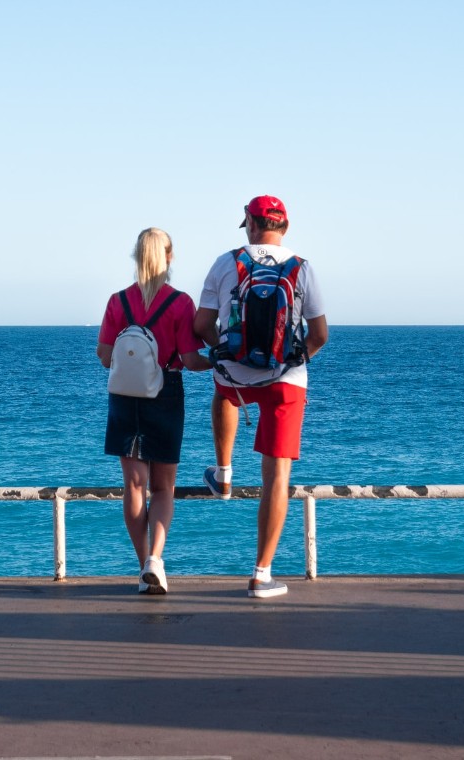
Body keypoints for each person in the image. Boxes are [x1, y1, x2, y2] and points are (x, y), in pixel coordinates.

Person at [194, 195, 328, 598]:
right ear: (283, 226)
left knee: (223, 394)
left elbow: (202, 323)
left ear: (251, 225)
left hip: (235, 376)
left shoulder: (225, 262)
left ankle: (224, 474)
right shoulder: (302, 268)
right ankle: (260, 574)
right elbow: (320, 335)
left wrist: (229, 351)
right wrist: (292, 359)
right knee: (277, 478)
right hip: (286, 381)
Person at [97, 227, 211, 595]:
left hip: (125, 397)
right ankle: (156, 561)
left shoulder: (118, 301)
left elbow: (103, 357)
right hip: (165, 392)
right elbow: (191, 360)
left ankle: (142, 562)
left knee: (134, 486)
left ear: (135, 257)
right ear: (170, 257)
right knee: (163, 488)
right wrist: (221, 363)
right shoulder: (180, 303)